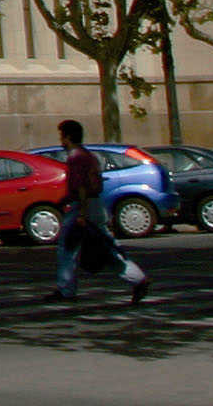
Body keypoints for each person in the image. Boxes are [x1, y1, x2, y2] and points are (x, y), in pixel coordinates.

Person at [50, 119, 147, 303]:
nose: (61, 140)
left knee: (68, 248)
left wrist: (81, 213)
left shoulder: (76, 157)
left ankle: (66, 290)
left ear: (68, 137)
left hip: (83, 207)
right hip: (94, 204)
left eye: (62, 136)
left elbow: (81, 187)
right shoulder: (88, 155)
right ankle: (137, 278)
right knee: (105, 246)